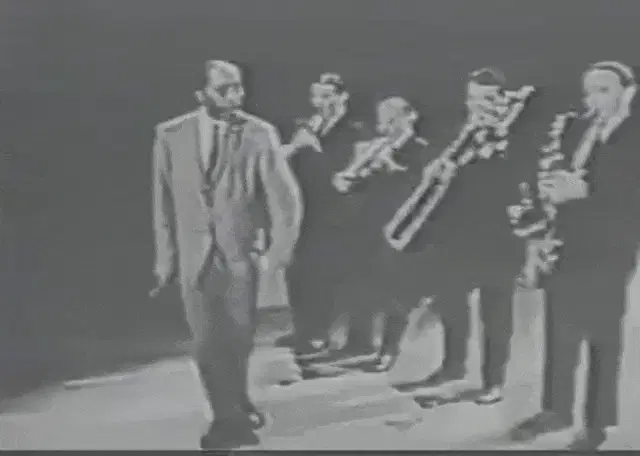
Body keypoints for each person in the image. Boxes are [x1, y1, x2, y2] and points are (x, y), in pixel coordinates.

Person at [151, 60, 304, 449]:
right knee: (205, 341)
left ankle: (236, 401)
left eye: (239, 87)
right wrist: (165, 258)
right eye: (225, 89)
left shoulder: (259, 133)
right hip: (194, 257)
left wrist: (278, 252)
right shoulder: (170, 134)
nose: (236, 96)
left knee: (238, 338)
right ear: (201, 94)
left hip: (240, 254)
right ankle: (226, 420)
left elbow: (285, 199)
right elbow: (162, 203)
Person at [507, 61, 640, 450]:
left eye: (603, 90)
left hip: (611, 246)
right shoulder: (579, 127)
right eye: (589, 91)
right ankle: (556, 409)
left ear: (628, 92)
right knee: (559, 328)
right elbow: (561, 171)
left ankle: (596, 424)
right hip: (567, 239)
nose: (593, 100)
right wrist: (548, 192)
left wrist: (588, 194)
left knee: (601, 335)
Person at [389, 68, 537, 404]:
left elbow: (521, 179)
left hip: (499, 236)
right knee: (451, 303)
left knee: (495, 313)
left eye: (487, 98)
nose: (478, 106)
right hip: (457, 236)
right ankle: (452, 367)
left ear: (502, 99)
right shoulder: (461, 133)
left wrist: (498, 141)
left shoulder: (516, 136)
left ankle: (493, 381)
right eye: (473, 98)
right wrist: (438, 169)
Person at [311, 96, 434, 371]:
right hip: (367, 225)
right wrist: (348, 178)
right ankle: (359, 341)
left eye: (392, 120)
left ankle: (389, 350)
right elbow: (359, 181)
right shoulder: (377, 146)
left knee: (396, 291)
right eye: (383, 120)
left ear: (410, 116)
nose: (385, 126)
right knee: (360, 284)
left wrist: (393, 169)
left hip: (401, 228)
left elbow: (423, 187)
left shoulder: (422, 149)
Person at [276, 73, 372, 361]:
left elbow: (347, 173)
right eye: (316, 96)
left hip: (342, 214)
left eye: (328, 96)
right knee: (299, 272)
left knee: (337, 277)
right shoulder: (308, 126)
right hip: (309, 210)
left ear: (343, 97)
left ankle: (335, 337)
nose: (320, 102)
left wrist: (313, 147)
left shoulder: (357, 130)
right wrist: (294, 148)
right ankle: (306, 329)